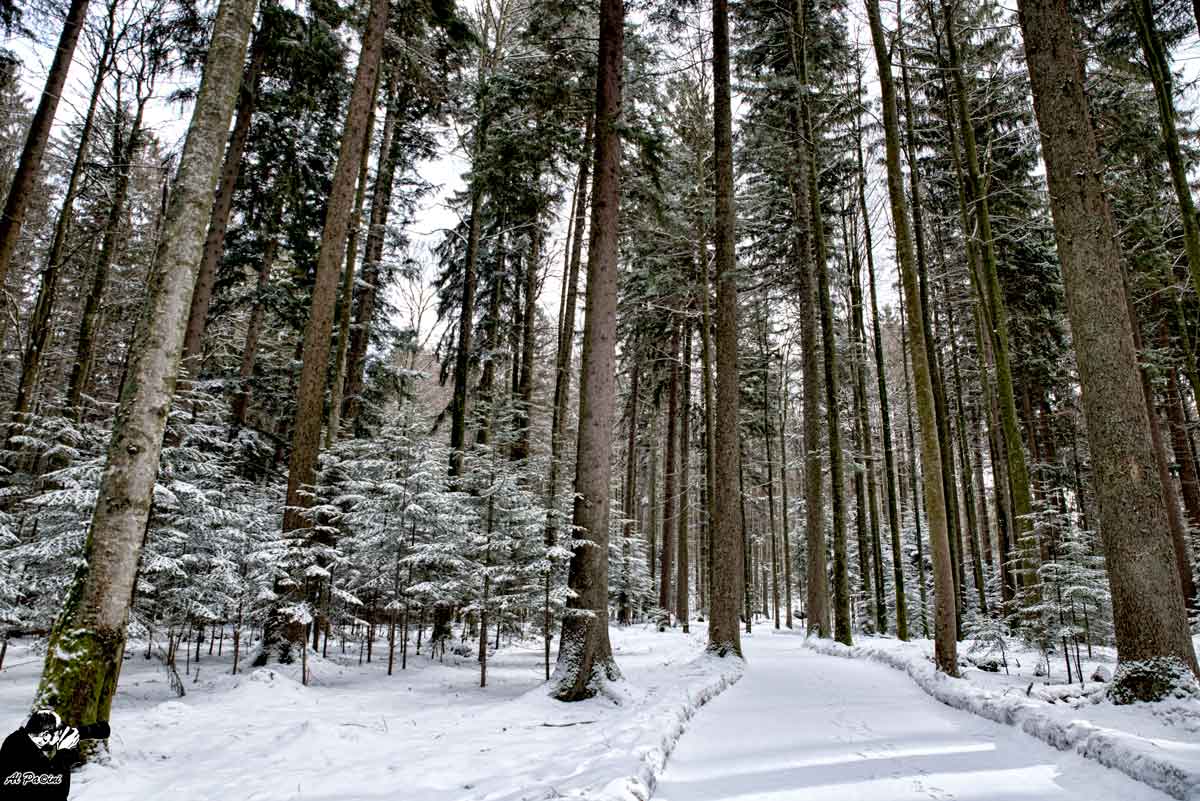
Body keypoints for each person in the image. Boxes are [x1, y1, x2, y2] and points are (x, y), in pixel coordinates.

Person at [0, 710, 109, 800]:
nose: (59, 738)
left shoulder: (18, 740)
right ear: (45, 735)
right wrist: (63, 752)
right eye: (58, 735)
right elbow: (56, 794)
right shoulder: (21, 751)